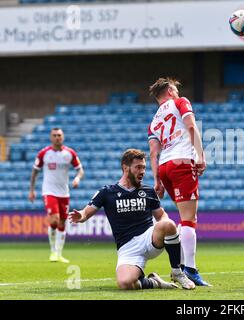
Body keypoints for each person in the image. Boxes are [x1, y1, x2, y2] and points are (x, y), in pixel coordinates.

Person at [69, 149, 195, 290]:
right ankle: (155, 282)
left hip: (149, 238)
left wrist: (166, 227)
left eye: (144, 168)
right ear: (125, 167)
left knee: (168, 224)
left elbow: (161, 216)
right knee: (125, 284)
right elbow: (86, 212)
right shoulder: (107, 192)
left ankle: (177, 272)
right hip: (127, 248)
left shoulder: (148, 191)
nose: (142, 171)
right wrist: (80, 216)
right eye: (138, 167)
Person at [147, 77, 210, 286]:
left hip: (165, 167)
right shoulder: (180, 101)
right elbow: (191, 126)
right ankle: (189, 269)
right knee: (189, 219)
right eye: (174, 88)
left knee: (185, 218)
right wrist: (201, 155)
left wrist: (157, 180)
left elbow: (153, 154)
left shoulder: (154, 121)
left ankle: (183, 265)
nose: (176, 91)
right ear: (169, 90)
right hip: (182, 162)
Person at [29, 127, 84, 263]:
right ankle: (53, 252)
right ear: (51, 137)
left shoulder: (69, 153)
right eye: (54, 135)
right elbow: (35, 172)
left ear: (63, 137)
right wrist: (32, 190)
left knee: (62, 222)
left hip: (64, 193)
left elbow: (80, 170)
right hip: (49, 191)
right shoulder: (44, 153)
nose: (57, 137)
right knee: (54, 219)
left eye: (59, 135)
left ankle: (59, 254)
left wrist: (77, 178)